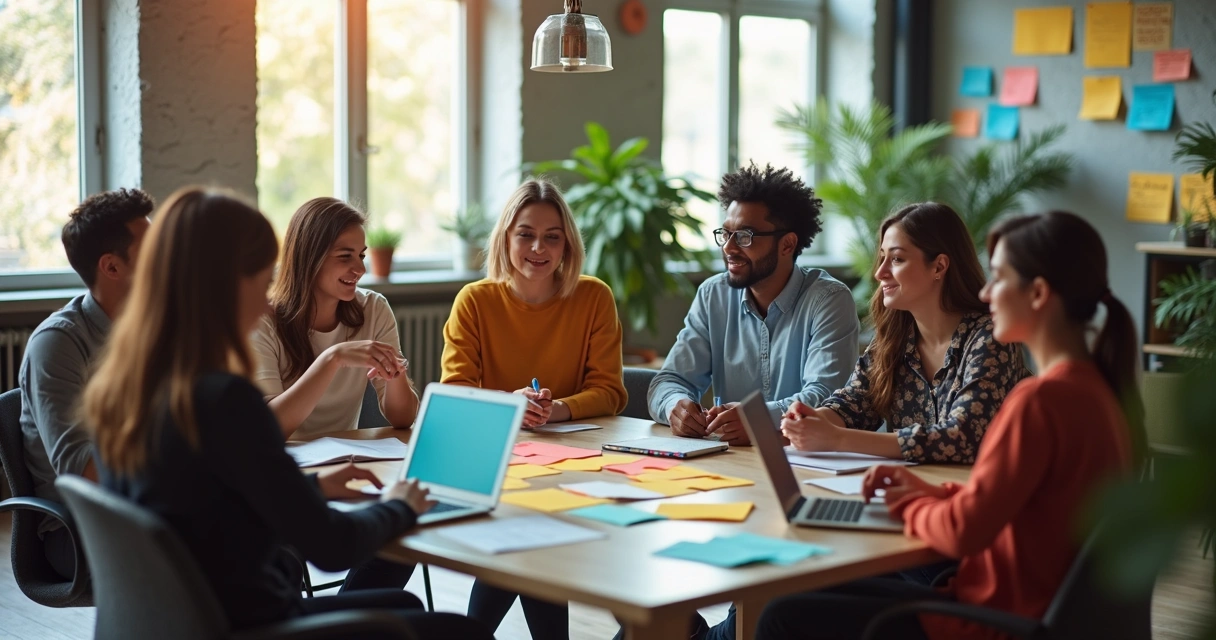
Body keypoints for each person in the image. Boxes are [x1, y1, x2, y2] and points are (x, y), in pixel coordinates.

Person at [82, 187, 493, 639]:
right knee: (462, 633)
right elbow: (333, 547)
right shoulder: (224, 400)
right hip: (254, 624)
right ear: (223, 285)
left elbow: (208, 496)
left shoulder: (128, 385)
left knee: (400, 604)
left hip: (183, 621)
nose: (264, 302)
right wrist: (401, 506)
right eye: (260, 281)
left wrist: (311, 486)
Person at [753, 210, 1146, 640]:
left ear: (1037, 293)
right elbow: (1012, 496)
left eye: (998, 278)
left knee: (782, 615)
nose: (986, 291)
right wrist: (931, 492)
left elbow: (963, 532)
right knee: (812, 593)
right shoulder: (1095, 390)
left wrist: (904, 504)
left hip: (986, 618)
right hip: (1021, 607)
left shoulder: (1038, 401)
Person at [441, 178, 627, 640]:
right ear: (506, 238)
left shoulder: (594, 296)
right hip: (505, 464)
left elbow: (611, 391)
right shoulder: (476, 301)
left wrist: (556, 409)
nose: (538, 248)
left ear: (568, 243)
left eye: (552, 236)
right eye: (525, 234)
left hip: (581, 462)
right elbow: (456, 390)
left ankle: (474, 631)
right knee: (526, 529)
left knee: (529, 534)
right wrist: (510, 404)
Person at [782, 203, 1029, 464]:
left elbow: (964, 437)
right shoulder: (895, 337)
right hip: (913, 488)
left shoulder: (991, 337)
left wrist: (837, 438)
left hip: (979, 495)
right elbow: (855, 403)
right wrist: (812, 419)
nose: (880, 273)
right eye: (882, 257)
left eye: (897, 259)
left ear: (939, 267)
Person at [648, 162, 859, 446]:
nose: (729, 248)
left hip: (806, 460)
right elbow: (670, 380)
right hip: (732, 462)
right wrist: (676, 406)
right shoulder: (714, 295)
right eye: (725, 234)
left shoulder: (829, 300)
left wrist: (758, 418)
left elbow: (827, 395)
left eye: (745, 236)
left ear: (787, 244)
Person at [19, 188, 153, 581]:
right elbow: (83, 473)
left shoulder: (155, 328)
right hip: (80, 533)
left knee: (267, 539)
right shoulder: (58, 344)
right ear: (112, 267)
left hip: (153, 506)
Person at [252, 197, 419, 441]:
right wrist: (332, 359)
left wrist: (396, 375)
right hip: (284, 465)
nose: (360, 269)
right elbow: (268, 430)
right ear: (309, 258)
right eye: (344, 256)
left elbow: (403, 419)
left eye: (361, 256)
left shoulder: (374, 309)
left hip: (346, 461)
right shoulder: (263, 320)